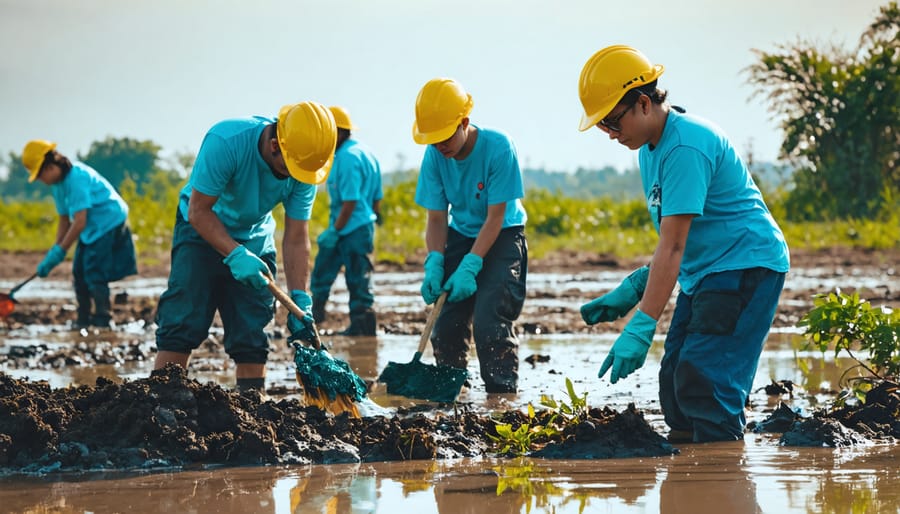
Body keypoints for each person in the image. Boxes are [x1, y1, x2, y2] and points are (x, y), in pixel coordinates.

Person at [576, 45, 790, 442]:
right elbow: (674, 240)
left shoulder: (686, 145)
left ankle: (720, 469)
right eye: (603, 125)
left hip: (745, 265)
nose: (609, 134)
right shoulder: (648, 150)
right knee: (676, 384)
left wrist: (642, 324)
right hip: (705, 273)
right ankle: (692, 473)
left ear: (642, 103)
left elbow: (673, 246)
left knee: (706, 379)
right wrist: (641, 283)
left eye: (611, 121)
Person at [153, 101, 336, 393]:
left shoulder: (304, 165)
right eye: (289, 169)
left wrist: (300, 295)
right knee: (183, 319)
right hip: (200, 229)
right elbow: (199, 211)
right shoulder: (226, 142)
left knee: (251, 329)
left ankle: (253, 405)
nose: (295, 177)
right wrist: (235, 253)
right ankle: (159, 400)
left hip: (255, 238)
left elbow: (296, 236)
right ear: (275, 145)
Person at [412, 77, 528, 394]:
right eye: (432, 139)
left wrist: (471, 264)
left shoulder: (498, 147)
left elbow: (496, 216)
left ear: (464, 122)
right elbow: (436, 217)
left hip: (503, 233)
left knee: (490, 320)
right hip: (460, 232)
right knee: (446, 321)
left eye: (445, 136)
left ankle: (501, 396)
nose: (440, 145)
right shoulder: (435, 155)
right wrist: (435, 261)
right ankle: (452, 391)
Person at [21, 140, 137, 329]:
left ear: (50, 167)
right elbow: (64, 220)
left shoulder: (76, 178)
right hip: (91, 226)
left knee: (94, 270)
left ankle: (102, 319)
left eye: (40, 176)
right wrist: (54, 252)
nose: (41, 181)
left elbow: (79, 221)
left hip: (109, 221)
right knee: (79, 273)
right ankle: (83, 319)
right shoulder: (58, 185)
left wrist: (61, 251)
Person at [309, 106, 383, 336]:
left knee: (356, 279)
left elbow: (350, 201)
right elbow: (376, 198)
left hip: (350, 228)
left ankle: (362, 329)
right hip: (358, 225)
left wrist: (336, 230)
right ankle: (313, 320)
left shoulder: (347, 158)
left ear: (338, 133)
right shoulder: (365, 152)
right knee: (330, 273)